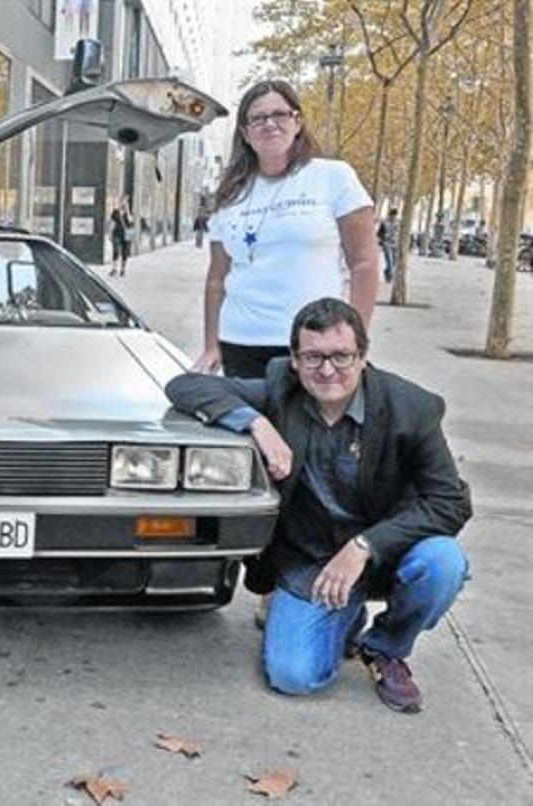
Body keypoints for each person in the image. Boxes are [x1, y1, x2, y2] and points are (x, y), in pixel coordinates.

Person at [166, 298, 471, 713]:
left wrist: (364, 546)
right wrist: (256, 423)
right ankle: (343, 617)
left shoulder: (411, 408)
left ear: (363, 356)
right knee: (293, 677)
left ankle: (386, 648)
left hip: (389, 553)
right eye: (313, 358)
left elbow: (449, 502)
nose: (328, 370)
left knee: (444, 562)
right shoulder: (279, 391)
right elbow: (185, 386)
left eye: (342, 357)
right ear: (294, 360)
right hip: (311, 560)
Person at [193, 80, 379, 380]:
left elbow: (364, 263)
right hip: (240, 344)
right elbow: (217, 277)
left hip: (315, 347)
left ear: (298, 122)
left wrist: (355, 341)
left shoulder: (334, 177)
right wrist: (211, 346)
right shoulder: (229, 194)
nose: (269, 124)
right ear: (245, 133)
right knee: (251, 427)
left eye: (280, 115)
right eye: (257, 118)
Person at [109, 196, 132, 276]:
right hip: (116, 233)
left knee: (124, 251)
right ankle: (114, 268)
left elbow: (130, 221)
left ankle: (123, 269)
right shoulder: (115, 212)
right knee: (115, 250)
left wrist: (128, 210)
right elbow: (112, 222)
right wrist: (110, 233)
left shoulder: (129, 212)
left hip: (126, 234)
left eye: (125, 202)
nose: (123, 203)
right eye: (122, 201)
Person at [377, 208, 399, 283]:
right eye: (392, 216)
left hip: (395, 244)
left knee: (394, 262)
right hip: (387, 244)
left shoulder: (398, 222)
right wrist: (382, 240)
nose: (394, 218)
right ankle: (389, 278)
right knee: (389, 261)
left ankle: (386, 272)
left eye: (395, 216)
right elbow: (379, 233)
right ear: (390, 215)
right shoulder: (384, 222)